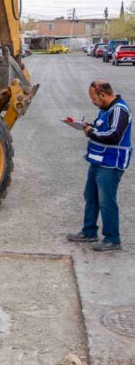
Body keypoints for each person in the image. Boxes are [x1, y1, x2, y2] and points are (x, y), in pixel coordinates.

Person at [67, 80, 132, 251]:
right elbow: (103, 128)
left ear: (103, 95)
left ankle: (112, 239)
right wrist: (88, 125)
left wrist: (90, 132)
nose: (92, 102)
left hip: (111, 163)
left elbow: (114, 136)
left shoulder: (119, 110)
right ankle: (89, 232)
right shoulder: (106, 109)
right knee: (91, 196)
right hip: (99, 160)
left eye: (93, 98)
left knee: (106, 201)